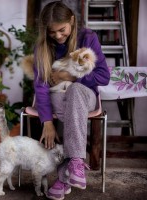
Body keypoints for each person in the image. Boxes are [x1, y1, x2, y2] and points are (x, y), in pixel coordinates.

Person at [33, 1, 110, 200]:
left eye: (62, 30)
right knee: (64, 106)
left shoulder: (88, 38)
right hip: (58, 100)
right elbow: (41, 88)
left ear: (72, 21)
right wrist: (47, 122)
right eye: (52, 32)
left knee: (75, 91)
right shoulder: (43, 47)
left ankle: (67, 171)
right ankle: (71, 170)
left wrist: (71, 76)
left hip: (85, 96)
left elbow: (103, 77)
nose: (57, 36)